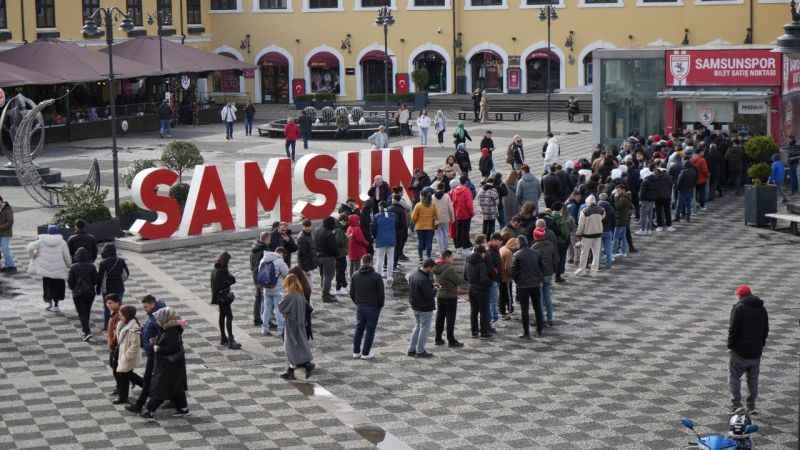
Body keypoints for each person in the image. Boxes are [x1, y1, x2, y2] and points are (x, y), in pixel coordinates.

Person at [141, 307, 190, 421]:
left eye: (158, 318)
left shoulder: (170, 331)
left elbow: (170, 348)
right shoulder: (171, 328)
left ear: (164, 319)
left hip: (168, 366)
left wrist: (157, 347)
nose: (157, 321)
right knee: (176, 387)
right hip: (174, 365)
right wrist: (156, 341)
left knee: (161, 388)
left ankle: (149, 410)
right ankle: (183, 408)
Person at [727, 285, 769, 415]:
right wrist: (760, 345)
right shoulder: (761, 308)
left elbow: (733, 330)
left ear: (739, 296)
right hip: (756, 352)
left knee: (734, 377)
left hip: (739, 351)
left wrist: (730, 346)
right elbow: (766, 329)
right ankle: (751, 406)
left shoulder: (738, 308)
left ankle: (736, 404)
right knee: (753, 379)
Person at [128, 295, 165, 414]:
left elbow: (164, 334)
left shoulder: (158, 317)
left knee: (149, 378)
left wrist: (154, 341)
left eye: (146, 307)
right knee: (156, 378)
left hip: (154, 353)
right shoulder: (153, 315)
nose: (144, 309)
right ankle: (179, 403)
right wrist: (143, 331)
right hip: (152, 351)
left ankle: (140, 405)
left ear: (153, 304)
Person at [278, 274, 315, 380]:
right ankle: (293, 370)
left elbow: (281, 307)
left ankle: (304, 365)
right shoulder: (300, 295)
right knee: (300, 344)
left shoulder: (289, 296)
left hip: (291, 324)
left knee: (290, 347)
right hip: (301, 324)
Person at [27, 225, 71, 311]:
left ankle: (50, 304)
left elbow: (29, 248)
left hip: (46, 270)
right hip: (59, 270)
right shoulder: (62, 242)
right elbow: (66, 256)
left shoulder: (41, 241)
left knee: (48, 287)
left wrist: (33, 256)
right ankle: (56, 305)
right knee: (58, 287)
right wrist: (69, 265)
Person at [350, 254, 385, 360]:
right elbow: (381, 295)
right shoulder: (376, 276)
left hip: (360, 306)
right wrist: (379, 306)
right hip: (373, 307)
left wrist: (357, 302)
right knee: (370, 330)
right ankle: (365, 353)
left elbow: (352, 292)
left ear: (362, 261)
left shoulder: (355, 275)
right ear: (371, 262)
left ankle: (356, 352)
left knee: (359, 329)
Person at [511, 236, 545, 338]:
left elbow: (513, 271)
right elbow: (542, 268)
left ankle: (526, 333)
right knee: (538, 307)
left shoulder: (517, 255)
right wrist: (539, 279)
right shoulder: (536, 253)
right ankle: (540, 330)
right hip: (535, 284)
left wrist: (518, 281)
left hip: (523, 286)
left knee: (524, 310)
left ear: (520, 243)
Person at [114, 304, 144, 405]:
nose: (119, 316)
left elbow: (135, 345)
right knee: (127, 374)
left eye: (121, 314)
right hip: (121, 353)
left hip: (127, 356)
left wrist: (126, 356)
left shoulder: (134, 327)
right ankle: (148, 387)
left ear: (127, 315)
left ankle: (123, 397)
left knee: (124, 374)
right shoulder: (122, 323)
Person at [432, 250, 463, 348]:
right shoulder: (449, 268)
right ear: (447, 257)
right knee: (450, 319)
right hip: (450, 296)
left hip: (440, 295)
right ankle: (451, 340)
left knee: (440, 317)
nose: (453, 259)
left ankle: (438, 338)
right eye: (452, 257)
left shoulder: (436, 266)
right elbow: (458, 281)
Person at [68, 247, 99, 342]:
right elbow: (95, 280)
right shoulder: (92, 266)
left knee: (81, 312)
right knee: (87, 311)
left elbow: (70, 282)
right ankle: (85, 329)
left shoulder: (73, 267)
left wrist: (73, 288)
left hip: (78, 293)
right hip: (90, 292)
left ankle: (86, 332)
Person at [211, 252, 241, 349]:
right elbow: (231, 280)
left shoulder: (215, 268)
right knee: (229, 317)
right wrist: (231, 279)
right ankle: (231, 341)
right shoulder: (222, 270)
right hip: (224, 297)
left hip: (218, 297)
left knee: (222, 316)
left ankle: (223, 338)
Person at [407, 259, 437, 357]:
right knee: (424, 329)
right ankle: (420, 351)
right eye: (432, 268)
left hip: (415, 306)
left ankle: (411, 349)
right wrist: (435, 289)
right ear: (429, 267)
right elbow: (429, 295)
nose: (432, 271)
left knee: (417, 327)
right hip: (425, 307)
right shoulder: (424, 279)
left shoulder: (413, 274)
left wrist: (431, 285)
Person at [259, 247, 290, 336]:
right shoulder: (280, 261)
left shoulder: (263, 259)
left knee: (266, 309)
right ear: (281, 254)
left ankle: (264, 329)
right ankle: (280, 330)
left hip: (266, 288)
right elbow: (287, 274)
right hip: (277, 289)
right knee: (278, 309)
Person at [97, 243, 129, 330]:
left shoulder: (103, 263)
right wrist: (121, 280)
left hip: (107, 289)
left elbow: (100, 277)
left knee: (107, 308)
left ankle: (107, 326)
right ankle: (119, 325)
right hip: (119, 287)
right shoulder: (120, 261)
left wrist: (98, 289)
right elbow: (126, 274)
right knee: (118, 307)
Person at [532, 227, 558, 328]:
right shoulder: (550, 245)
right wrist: (554, 271)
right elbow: (555, 259)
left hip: (539, 275)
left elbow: (534, 264)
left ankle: (541, 318)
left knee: (540, 298)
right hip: (549, 274)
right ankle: (550, 318)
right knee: (547, 297)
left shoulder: (534, 248)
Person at [465, 245, 491, 339]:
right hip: (481, 290)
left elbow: (465, 276)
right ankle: (484, 332)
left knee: (474, 311)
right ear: (482, 253)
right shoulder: (481, 264)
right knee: (483, 312)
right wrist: (489, 283)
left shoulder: (467, 262)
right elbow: (483, 279)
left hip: (471, 289)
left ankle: (474, 331)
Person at [575, 195, 605, 275]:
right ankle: (594, 270)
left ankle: (582, 269)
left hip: (587, 235)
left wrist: (578, 233)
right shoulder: (602, 210)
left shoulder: (584, 211)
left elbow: (581, 224)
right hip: (598, 234)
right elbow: (602, 218)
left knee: (584, 253)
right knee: (596, 253)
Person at [314, 217, 339, 302]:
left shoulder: (317, 230)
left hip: (318, 256)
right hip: (328, 258)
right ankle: (326, 295)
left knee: (322, 275)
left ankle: (324, 291)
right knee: (328, 276)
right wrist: (337, 255)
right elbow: (333, 248)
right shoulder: (329, 234)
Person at [371, 202, 397, 282]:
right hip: (391, 240)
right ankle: (389, 276)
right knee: (390, 259)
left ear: (380, 207)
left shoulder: (376, 216)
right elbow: (397, 226)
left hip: (380, 240)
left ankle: (378, 275)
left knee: (380, 259)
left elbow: (373, 229)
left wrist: (375, 237)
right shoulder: (393, 215)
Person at [250, 232, 270, 327]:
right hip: (261, 277)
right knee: (265, 299)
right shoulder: (264, 250)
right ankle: (265, 319)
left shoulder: (254, 248)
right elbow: (263, 266)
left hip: (255, 276)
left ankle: (257, 318)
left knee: (258, 298)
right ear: (266, 239)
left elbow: (253, 265)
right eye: (269, 239)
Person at [411, 191, 438, 262]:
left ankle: (420, 257)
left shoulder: (418, 205)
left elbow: (413, 217)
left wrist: (415, 222)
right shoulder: (433, 205)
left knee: (420, 242)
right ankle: (428, 256)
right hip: (430, 227)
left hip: (419, 227)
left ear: (422, 196)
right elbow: (436, 215)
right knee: (429, 242)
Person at [451, 176, 475, 252]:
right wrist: (471, 213)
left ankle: (458, 246)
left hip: (458, 213)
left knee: (459, 230)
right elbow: (469, 204)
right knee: (465, 230)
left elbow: (453, 202)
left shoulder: (455, 191)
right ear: (466, 182)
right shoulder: (467, 191)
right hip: (466, 214)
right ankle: (466, 245)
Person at [498, 237, 518, 319]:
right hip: (506, 278)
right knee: (508, 295)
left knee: (502, 294)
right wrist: (513, 275)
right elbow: (508, 268)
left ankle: (501, 309)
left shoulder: (502, 248)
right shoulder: (509, 253)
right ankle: (509, 310)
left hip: (500, 276)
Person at [432, 182, 454, 255]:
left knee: (438, 235)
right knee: (445, 233)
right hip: (445, 218)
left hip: (436, 219)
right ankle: (445, 249)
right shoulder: (447, 196)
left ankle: (441, 250)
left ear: (436, 188)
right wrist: (452, 218)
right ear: (443, 188)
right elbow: (451, 208)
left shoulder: (432, 197)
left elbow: (431, 208)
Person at [611, 185, 632, 257]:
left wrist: (616, 197)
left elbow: (617, 206)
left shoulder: (623, 198)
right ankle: (623, 251)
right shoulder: (626, 197)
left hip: (620, 219)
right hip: (623, 219)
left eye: (619, 190)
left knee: (616, 237)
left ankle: (614, 252)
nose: (617, 192)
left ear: (623, 190)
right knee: (623, 236)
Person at [675, 156, 698, 223]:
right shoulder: (693, 171)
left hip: (682, 190)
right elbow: (695, 180)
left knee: (679, 204)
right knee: (688, 204)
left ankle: (677, 217)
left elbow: (679, 181)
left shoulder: (683, 172)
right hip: (690, 189)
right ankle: (688, 217)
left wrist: (678, 188)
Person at [0, 195, 16, 274]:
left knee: (5, 249)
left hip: (5, 233)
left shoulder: (7, 209)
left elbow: (10, 222)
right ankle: (3, 266)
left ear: (1, 201)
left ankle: (11, 266)